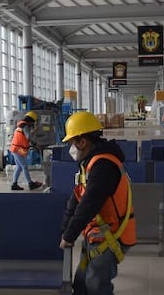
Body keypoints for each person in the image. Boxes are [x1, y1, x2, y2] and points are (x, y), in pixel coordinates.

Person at [59, 111, 136, 295]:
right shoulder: (90, 162)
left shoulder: (103, 166)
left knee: (96, 287)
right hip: (96, 233)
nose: (71, 148)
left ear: (82, 142)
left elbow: (88, 204)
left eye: (72, 143)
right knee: (81, 284)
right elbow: (77, 197)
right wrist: (65, 230)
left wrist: (69, 236)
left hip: (111, 235)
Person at [8, 111, 43, 191]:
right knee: (24, 166)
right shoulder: (25, 126)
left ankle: (14, 184)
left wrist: (34, 131)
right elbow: (28, 137)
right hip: (17, 149)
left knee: (19, 167)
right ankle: (30, 184)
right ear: (31, 120)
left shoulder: (21, 125)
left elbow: (25, 135)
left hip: (15, 148)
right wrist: (35, 144)